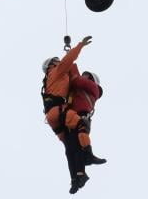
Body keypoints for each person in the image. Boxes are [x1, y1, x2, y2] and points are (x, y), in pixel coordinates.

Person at [41, 35, 92, 193]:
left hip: (53, 118)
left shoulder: (48, 81)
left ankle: (77, 177)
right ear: (53, 64)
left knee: (70, 147)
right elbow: (68, 59)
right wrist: (80, 45)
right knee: (81, 125)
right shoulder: (57, 70)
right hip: (59, 111)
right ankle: (88, 155)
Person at [67, 71, 106, 166]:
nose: (82, 76)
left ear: (91, 78)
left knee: (82, 132)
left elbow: (76, 80)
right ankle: (81, 166)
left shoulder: (93, 87)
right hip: (73, 115)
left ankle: (89, 155)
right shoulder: (80, 89)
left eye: (85, 75)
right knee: (73, 143)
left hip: (82, 113)